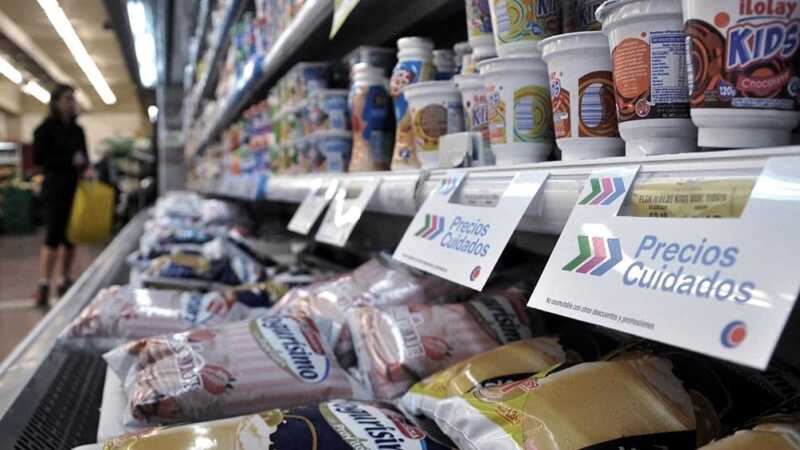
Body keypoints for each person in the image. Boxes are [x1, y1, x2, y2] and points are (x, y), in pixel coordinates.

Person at [32, 84, 88, 307]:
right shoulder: (44, 130)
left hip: (75, 189)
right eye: (67, 99)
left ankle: (64, 279)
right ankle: (44, 283)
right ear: (56, 102)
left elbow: (85, 157)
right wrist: (68, 160)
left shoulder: (77, 130)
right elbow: (39, 159)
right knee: (53, 236)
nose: (71, 103)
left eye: (73, 99)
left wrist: (84, 166)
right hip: (54, 189)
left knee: (71, 236)